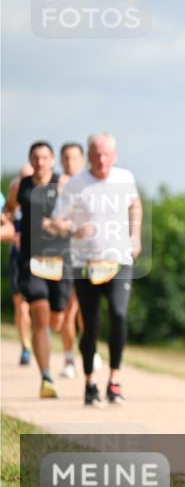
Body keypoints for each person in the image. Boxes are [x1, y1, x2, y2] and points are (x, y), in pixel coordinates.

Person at [47, 132, 142, 406]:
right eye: (96, 155)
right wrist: (75, 229)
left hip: (118, 260)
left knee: (119, 314)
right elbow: (56, 223)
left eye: (106, 155)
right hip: (85, 263)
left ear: (114, 156)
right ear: (89, 156)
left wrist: (135, 236)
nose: (101, 160)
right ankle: (89, 383)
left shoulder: (125, 178)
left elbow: (135, 205)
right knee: (90, 325)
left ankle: (114, 380)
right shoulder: (76, 184)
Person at [3, 142, 74, 398]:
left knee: (57, 319)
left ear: (52, 160)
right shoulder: (19, 186)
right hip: (30, 261)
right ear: (30, 160)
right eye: (36, 158)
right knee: (40, 314)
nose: (40, 162)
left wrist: (60, 226)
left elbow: (78, 218)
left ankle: (49, 351)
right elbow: (9, 210)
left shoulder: (64, 184)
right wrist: (9, 225)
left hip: (60, 260)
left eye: (45, 158)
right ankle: (46, 376)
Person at [56, 142, 86, 380]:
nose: (69, 163)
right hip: (66, 256)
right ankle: (68, 358)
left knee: (87, 309)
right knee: (68, 310)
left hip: (90, 256)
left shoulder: (94, 185)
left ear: (83, 160)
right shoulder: (58, 187)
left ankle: (89, 350)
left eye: (74, 158)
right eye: (65, 158)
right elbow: (54, 223)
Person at [6, 163, 35, 366]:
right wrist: (12, 236)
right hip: (18, 259)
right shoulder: (10, 208)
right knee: (21, 305)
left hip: (42, 260)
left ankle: (39, 338)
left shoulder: (43, 201)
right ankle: (26, 347)